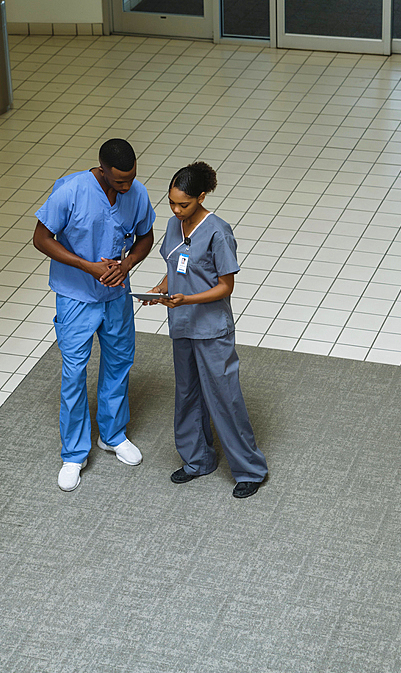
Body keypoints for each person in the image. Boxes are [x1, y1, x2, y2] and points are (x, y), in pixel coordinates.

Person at [33, 138, 156, 492]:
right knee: (74, 373)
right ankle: (74, 453)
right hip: (76, 297)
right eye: (119, 181)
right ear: (102, 170)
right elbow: (41, 238)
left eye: (131, 178)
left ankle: (113, 435)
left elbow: (145, 236)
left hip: (115, 295)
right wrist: (85, 265)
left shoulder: (136, 193)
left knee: (119, 363)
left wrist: (128, 262)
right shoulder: (70, 192)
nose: (127, 186)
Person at [145, 161, 268, 499]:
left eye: (183, 203)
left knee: (224, 397)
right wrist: (160, 288)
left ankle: (249, 469)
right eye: (171, 202)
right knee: (187, 394)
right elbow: (176, 265)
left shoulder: (218, 231)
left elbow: (225, 286)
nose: (176, 209)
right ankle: (198, 459)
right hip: (182, 324)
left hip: (211, 328)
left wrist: (187, 299)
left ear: (201, 197)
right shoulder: (174, 225)